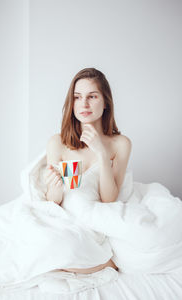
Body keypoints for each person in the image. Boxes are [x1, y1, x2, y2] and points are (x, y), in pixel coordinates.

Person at [45, 67, 132, 274]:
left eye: (92, 96)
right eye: (77, 97)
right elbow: (51, 203)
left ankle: (101, 262)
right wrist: (54, 189)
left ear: (106, 102)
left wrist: (102, 154)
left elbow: (109, 199)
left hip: (94, 219)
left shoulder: (120, 144)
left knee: (69, 252)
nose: (83, 104)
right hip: (64, 219)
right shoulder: (58, 142)